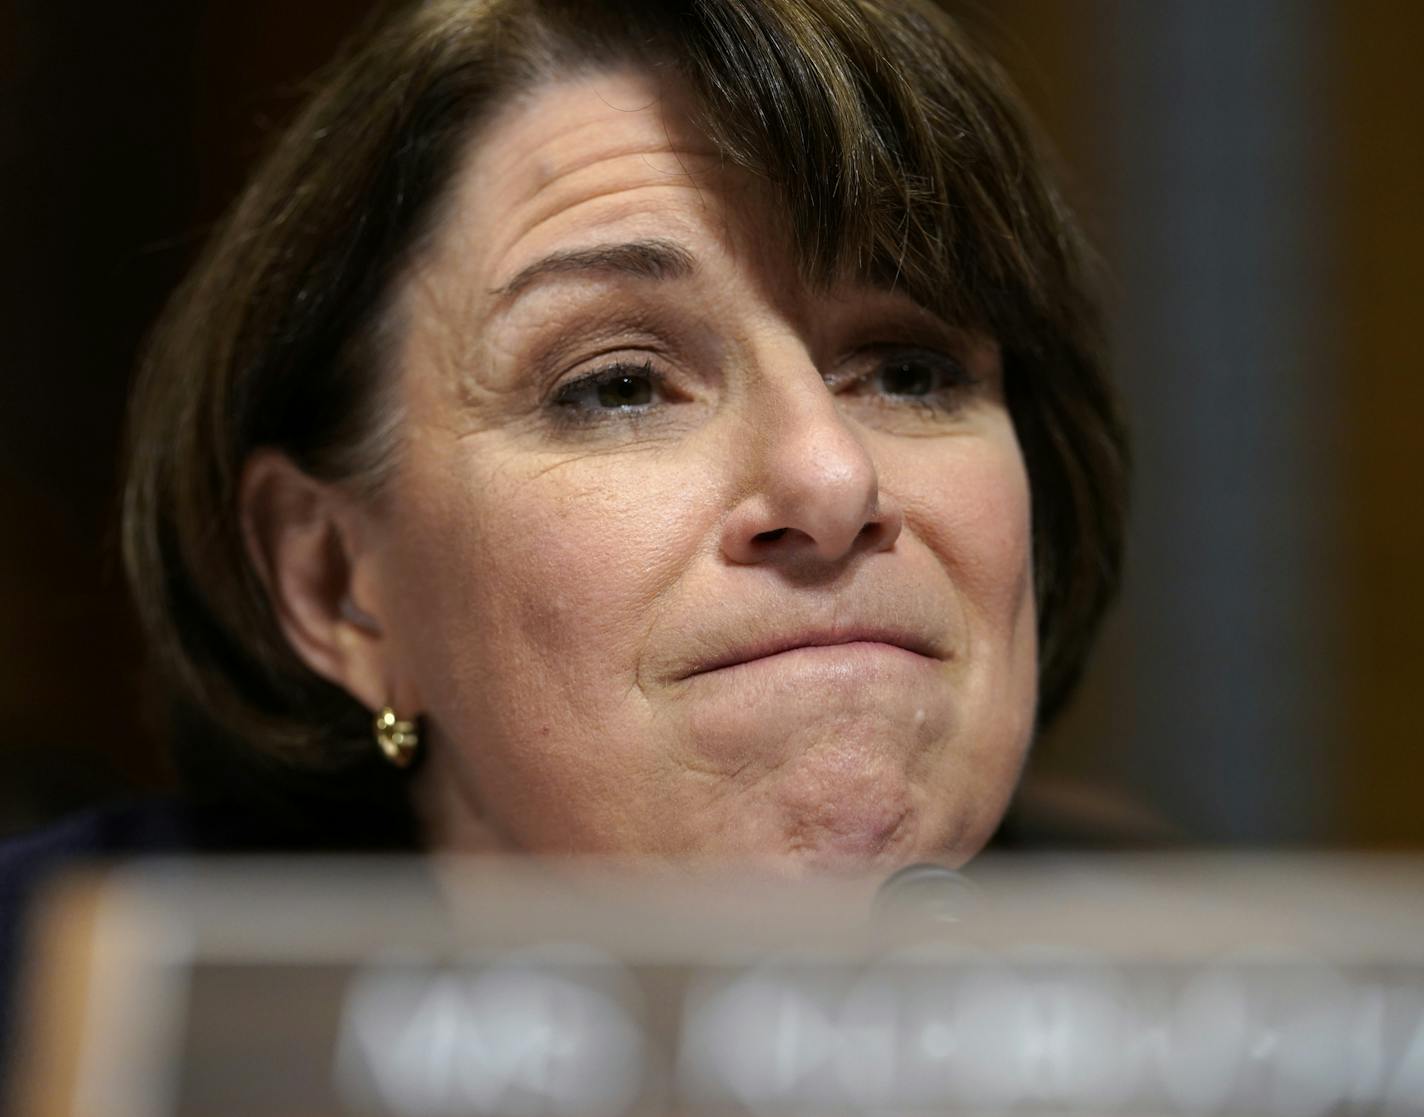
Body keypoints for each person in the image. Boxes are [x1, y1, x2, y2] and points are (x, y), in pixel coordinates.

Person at [2, 0, 1126, 1072]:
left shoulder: (1234, 1023)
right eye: (620, 385)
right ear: (338, 582)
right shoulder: (64, 1013)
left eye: (908, 370)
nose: (834, 477)